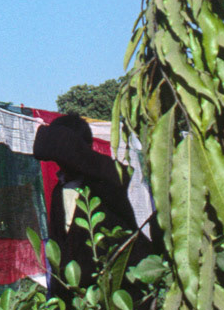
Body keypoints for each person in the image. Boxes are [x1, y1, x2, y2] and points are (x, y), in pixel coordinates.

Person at [32, 111, 150, 299]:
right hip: (77, 298)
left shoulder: (108, 180)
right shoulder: (59, 191)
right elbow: (59, 245)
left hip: (119, 291)